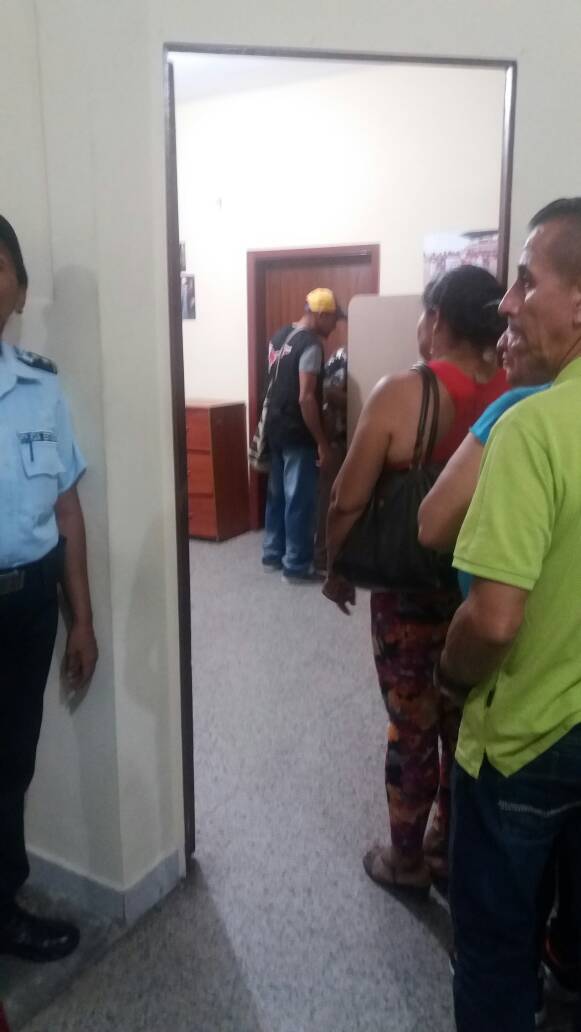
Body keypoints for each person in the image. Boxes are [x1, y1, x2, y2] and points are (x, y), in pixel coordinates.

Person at [435, 198, 581, 1032]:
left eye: (526, 281)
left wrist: (449, 678)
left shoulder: (533, 430)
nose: (508, 301)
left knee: (493, 946)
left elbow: (492, 621)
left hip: (526, 737)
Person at [323, 265, 507, 893]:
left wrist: (337, 568)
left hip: (408, 598)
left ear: (437, 319)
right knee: (463, 724)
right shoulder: (518, 392)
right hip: (486, 591)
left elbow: (348, 498)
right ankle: (447, 848)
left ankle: (405, 862)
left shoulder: (403, 392)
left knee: (412, 726)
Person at [0, 215, 98, 962]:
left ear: (21, 289)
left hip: (29, 603)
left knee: (11, 762)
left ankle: (3, 908)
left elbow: (67, 510)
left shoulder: (41, 388)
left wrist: (82, 621)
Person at [262, 287, 345, 582]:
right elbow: (306, 397)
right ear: (320, 314)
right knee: (299, 499)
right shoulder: (311, 345)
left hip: (274, 426)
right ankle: (296, 565)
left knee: (277, 496)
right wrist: (322, 443)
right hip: (298, 432)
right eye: (333, 319)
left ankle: (273, 553)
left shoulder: (280, 336)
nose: (334, 327)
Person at [314, 341, 348, 572]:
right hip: (338, 437)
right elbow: (328, 391)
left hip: (357, 435)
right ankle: (323, 555)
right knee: (329, 499)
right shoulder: (342, 357)